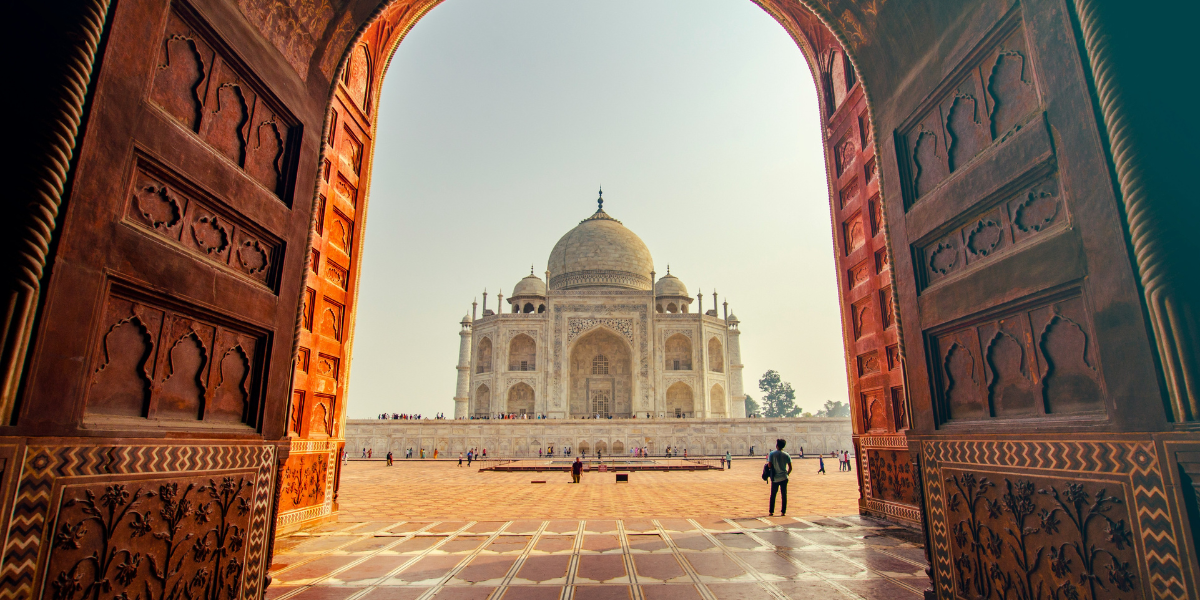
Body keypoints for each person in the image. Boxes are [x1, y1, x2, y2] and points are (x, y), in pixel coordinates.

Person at [768, 439, 793, 517]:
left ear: (777, 445)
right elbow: (790, 467)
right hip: (784, 478)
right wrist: (787, 474)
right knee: (784, 495)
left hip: (775, 477)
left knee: (773, 495)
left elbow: (769, 465)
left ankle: (771, 511)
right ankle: (783, 512)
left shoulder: (772, 454)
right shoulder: (786, 455)